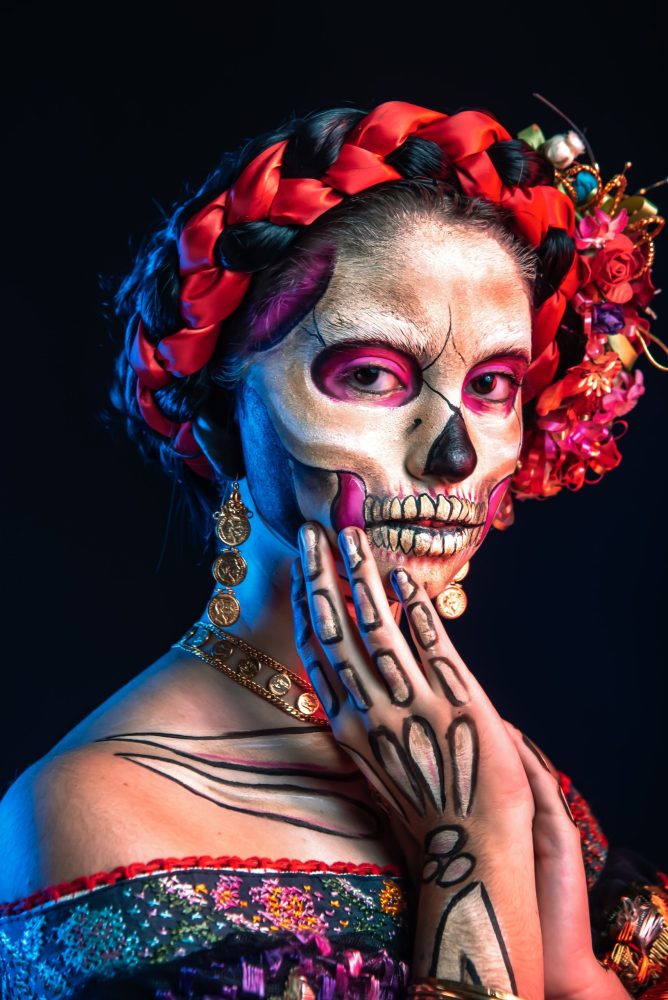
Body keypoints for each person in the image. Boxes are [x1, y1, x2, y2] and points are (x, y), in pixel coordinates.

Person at [0, 99, 665, 1000]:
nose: (454, 453)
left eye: (493, 384)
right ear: (222, 419)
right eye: (369, 375)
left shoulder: (499, 763)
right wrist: (470, 851)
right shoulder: (92, 812)